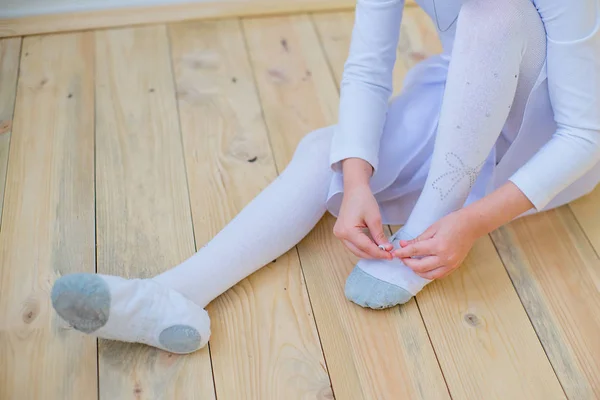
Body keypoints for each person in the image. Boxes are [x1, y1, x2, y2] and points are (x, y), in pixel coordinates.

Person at [51, 0, 600, 354]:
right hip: (463, 94)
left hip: (543, 135)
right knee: (324, 151)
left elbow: (583, 134)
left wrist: (472, 222)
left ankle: (424, 233)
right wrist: (357, 180)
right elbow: (368, 65)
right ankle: (174, 293)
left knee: (495, 10)